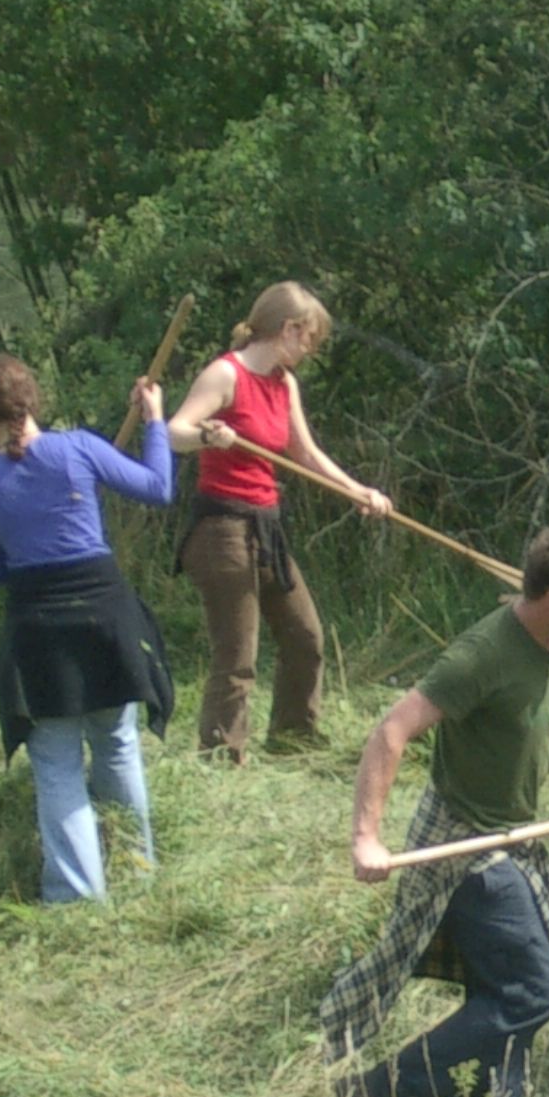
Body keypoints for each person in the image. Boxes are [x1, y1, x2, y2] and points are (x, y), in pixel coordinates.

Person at [320, 520, 549, 1097]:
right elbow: (392, 730)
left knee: (503, 1002)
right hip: (463, 846)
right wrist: (366, 838)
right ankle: (381, 1096)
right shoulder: (484, 654)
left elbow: (543, 729)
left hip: (512, 843)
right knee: (530, 990)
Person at [0, 353, 175, 903]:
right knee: (117, 743)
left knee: (55, 762)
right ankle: (136, 870)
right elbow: (157, 487)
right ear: (32, 401)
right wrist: (155, 420)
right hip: (105, 615)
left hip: (38, 628)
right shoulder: (77, 447)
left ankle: (78, 896)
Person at [167, 281, 393, 762]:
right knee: (238, 654)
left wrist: (359, 492)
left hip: (266, 525)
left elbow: (305, 454)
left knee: (305, 636)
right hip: (221, 529)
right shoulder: (225, 375)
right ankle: (222, 754)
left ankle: (294, 738)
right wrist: (209, 434)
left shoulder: (283, 383)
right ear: (288, 328)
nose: (311, 348)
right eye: (309, 337)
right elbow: (174, 433)